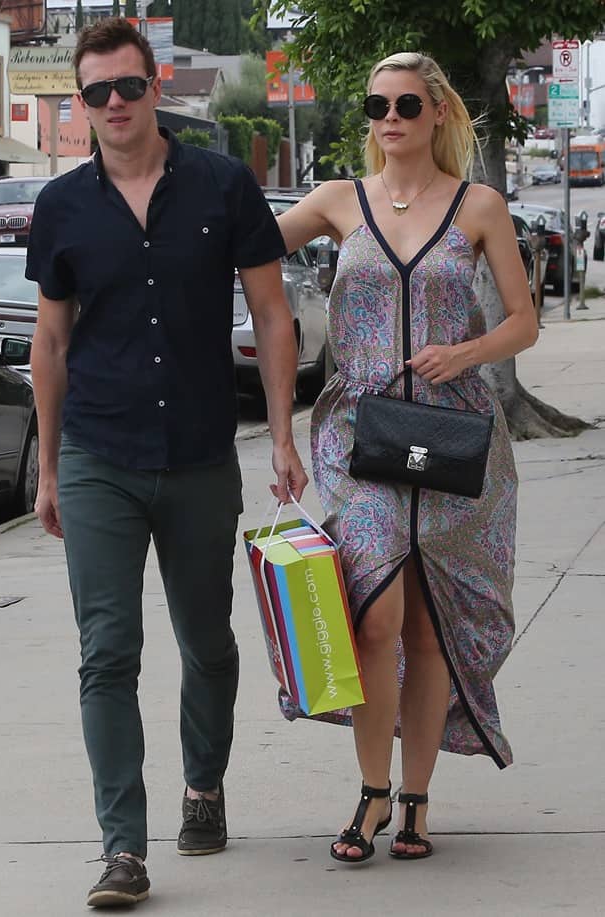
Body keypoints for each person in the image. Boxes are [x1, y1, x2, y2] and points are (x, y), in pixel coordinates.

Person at [26, 17, 308, 908]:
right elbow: (51, 340)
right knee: (107, 650)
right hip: (98, 454)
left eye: (128, 87)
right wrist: (45, 469)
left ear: (158, 90)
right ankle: (122, 847)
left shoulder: (223, 187)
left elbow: (270, 318)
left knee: (208, 641)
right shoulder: (62, 206)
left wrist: (284, 435)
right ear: (84, 103)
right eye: (97, 92)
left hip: (197, 454)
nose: (114, 104)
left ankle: (204, 785)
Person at [277, 52, 538, 864]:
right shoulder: (335, 201)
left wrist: (463, 355)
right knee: (374, 609)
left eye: (406, 104)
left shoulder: (479, 206)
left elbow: (524, 323)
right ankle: (373, 790)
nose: (389, 117)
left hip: (456, 438)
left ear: (436, 114)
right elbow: (239, 248)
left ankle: (417, 797)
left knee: (428, 625)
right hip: (359, 434)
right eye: (376, 104)